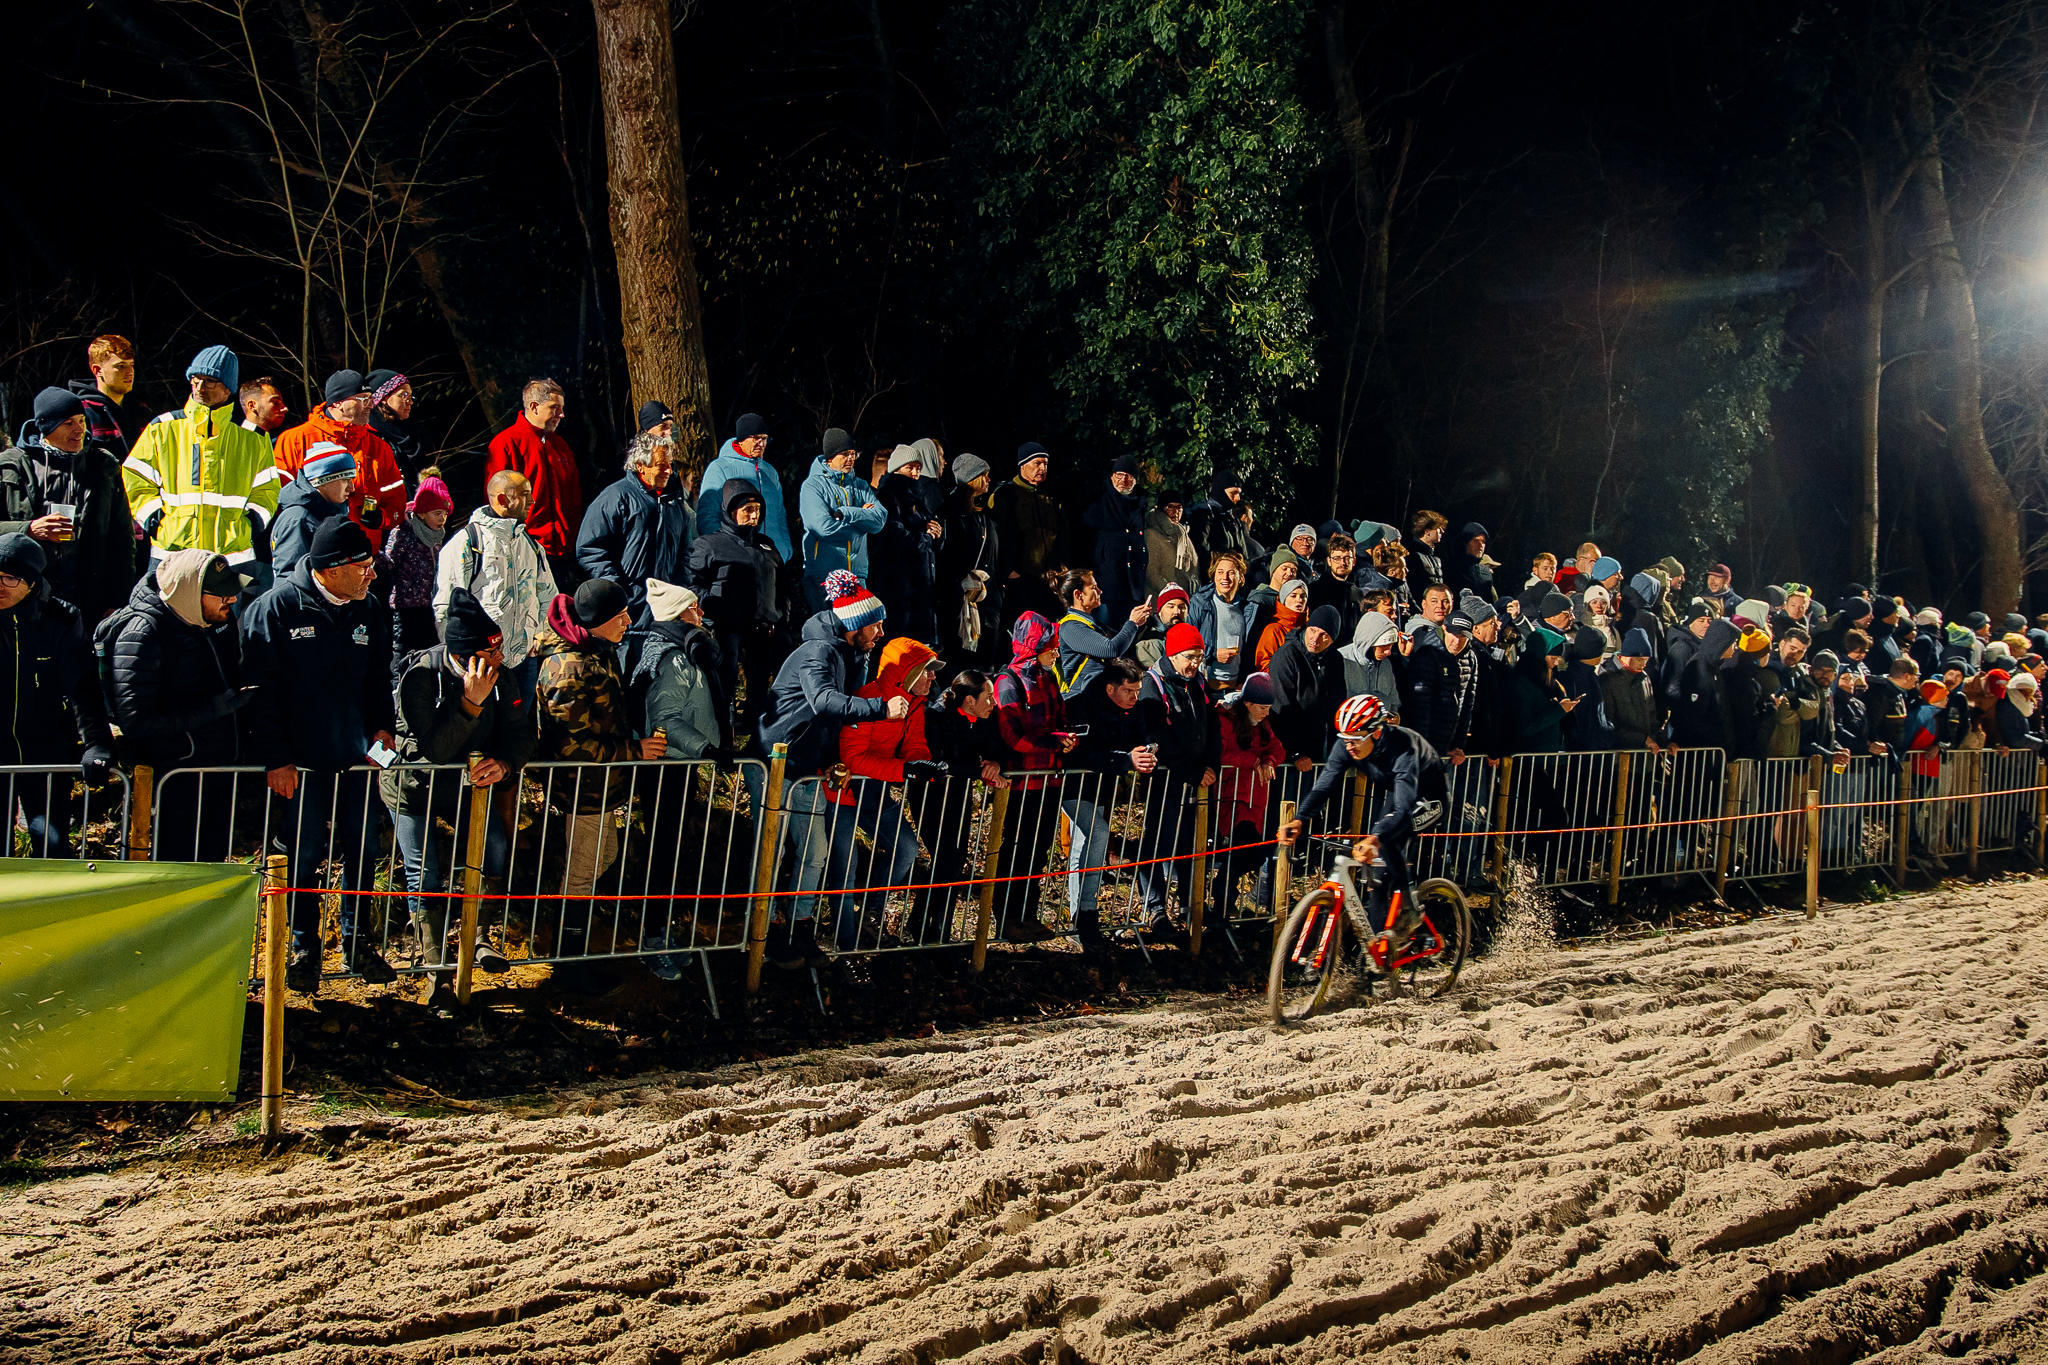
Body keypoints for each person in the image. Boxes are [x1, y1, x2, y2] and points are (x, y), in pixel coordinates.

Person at [239, 518, 397, 991]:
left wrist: (382, 731)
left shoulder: (368, 609)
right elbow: (258, 692)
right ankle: (303, 948)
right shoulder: (277, 608)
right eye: (364, 566)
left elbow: (377, 680)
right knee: (302, 856)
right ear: (331, 568)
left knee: (362, 850)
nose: (373, 574)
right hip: (299, 764)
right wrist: (275, 758)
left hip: (355, 758)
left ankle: (358, 943)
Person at [755, 570, 907, 966]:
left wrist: (831, 759)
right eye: (875, 624)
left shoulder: (852, 655)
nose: (881, 631)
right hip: (774, 765)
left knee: (814, 853)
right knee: (770, 853)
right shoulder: (817, 652)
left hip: (808, 769)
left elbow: (830, 719)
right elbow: (823, 701)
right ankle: (764, 934)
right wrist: (881, 709)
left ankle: (801, 927)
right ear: (854, 623)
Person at [384, 587, 531, 985]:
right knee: (424, 874)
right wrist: (470, 703)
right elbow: (434, 749)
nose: (499, 658)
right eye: (490, 652)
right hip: (413, 788)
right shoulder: (421, 677)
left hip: (466, 788)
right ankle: (435, 969)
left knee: (495, 847)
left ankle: (481, 938)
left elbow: (521, 733)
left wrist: (504, 763)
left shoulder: (503, 678)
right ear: (466, 657)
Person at [100, 549, 253, 860]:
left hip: (222, 766)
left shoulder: (217, 618)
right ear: (189, 593)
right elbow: (135, 720)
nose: (232, 600)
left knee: (213, 861)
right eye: (222, 595)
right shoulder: (143, 633)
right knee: (177, 865)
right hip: (176, 778)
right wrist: (215, 708)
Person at [1280, 695, 1451, 956]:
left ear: (1377, 732)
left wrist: (1376, 839)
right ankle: (1376, 953)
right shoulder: (1347, 743)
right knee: (1377, 874)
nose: (1350, 746)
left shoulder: (1404, 748)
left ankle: (1410, 910)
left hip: (1428, 795)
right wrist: (1300, 819)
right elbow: (1326, 784)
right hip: (1397, 792)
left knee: (1387, 841)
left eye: (1357, 738)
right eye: (1345, 738)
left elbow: (1404, 809)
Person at [827, 638, 944, 973]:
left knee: (906, 848)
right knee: (844, 868)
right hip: (842, 789)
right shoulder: (867, 699)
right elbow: (852, 756)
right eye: (926, 671)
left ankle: (871, 915)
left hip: (876, 788)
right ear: (904, 672)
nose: (932, 679)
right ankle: (846, 949)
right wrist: (904, 769)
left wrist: (923, 764)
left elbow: (915, 744)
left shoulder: (916, 703)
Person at [122, 345, 281, 577]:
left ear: (227, 388)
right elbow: (135, 477)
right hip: (171, 555)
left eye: (209, 381)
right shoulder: (163, 427)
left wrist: (250, 525)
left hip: (232, 558)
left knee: (232, 614)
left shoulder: (253, 437)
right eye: (195, 378)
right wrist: (155, 520)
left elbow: (267, 490)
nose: (199, 386)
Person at [0, 534, 113, 857]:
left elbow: (82, 686)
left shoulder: (62, 618)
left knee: (51, 843)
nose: (0, 586)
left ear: (33, 582)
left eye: (10, 578)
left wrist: (97, 743)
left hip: (45, 748)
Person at [1, 386, 135, 622]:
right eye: (68, 423)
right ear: (46, 426)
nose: (80, 430)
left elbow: (122, 540)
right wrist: (29, 530)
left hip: (88, 599)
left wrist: (118, 600)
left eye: (82, 420)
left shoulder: (102, 465)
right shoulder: (12, 467)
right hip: (23, 598)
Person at [436, 469, 556, 724]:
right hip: (480, 664)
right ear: (502, 500)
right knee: (478, 732)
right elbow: (446, 605)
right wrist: (458, 661)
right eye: (524, 495)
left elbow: (548, 596)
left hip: (523, 662)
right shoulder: (467, 543)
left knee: (514, 733)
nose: (532, 501)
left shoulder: (531, 546)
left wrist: (539, 638)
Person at [987, 611, 1074, 941]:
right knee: (1016, 848)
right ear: (1034, 646)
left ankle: (1028, 912)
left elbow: (1060, 717)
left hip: (1049, 777)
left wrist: (1066, 737)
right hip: (1022, 781)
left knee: (1038, 849)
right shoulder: (1007, 682)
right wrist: (1052, 743)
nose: (1056, 652)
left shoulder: (1049, 679)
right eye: (1051, 646)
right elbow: (1013, 736)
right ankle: (1006, 916)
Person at [1059, 658, 1153, 945]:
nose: (1134, 698)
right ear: (1110, 688)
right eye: (1128, 691)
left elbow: (1138, 740)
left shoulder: (1133, 710)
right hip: (1071, 787)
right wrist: (1125, 760)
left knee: (1091, 848)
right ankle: (1081, 915)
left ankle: (1086, 914)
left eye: (1138, 691)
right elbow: (1079, 753)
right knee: (1095, 834)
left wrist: (1148, 751)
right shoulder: (1082, 705)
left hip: (1103, 789)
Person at [1133, 622, 1219, 936]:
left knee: (1190, 843)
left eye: (1199, 656)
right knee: (1158, 843)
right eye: (1189, 656)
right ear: (1173, 654)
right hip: (1166, 780)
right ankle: (1155, 907)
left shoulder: (1199, 682)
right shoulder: (1152, 684)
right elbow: (1157, 735)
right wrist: (1192, 770)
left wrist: (1211, 765)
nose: (1195, 663)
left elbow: (1212, 726)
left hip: (1196, 780)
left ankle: (1189, 903)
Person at [687, 477, 786, 738]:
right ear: (731, 511)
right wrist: (716, 610)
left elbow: (783, 583)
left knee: (760, 685)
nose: (754, 516)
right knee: (724, 681)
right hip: (726, 628)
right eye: (747, 510)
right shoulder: (709, 544)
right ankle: (720, 735)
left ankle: (756, 736)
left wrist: (781, 611)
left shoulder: (766, 545)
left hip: (763, 629)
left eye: (758, 510)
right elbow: (692, 585)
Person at [916, 669, 1009, 934]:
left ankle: (934, 925)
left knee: (955, 860)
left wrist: (995, 763)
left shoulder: (987, 716)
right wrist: (978, 770)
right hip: (930, 794)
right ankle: (929, 926)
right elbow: (939, 760)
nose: (993, 702)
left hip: (959, 793)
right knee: (947, 860)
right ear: (969, 700)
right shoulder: (937, 715)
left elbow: (997, 746)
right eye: (988, 697)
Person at [274, 370, 405, 551]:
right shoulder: (295, 440)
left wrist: (381, 517)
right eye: (362, 399)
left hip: (362, 554)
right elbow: (281, 498)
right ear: (338, 403)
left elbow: (396, 499)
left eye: (371, 399)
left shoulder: (378, 447)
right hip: (312, 550)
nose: (370, 405)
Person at [576, 429, 693, 632]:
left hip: (667, 611)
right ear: (640, 466)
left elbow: (685, 552)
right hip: (630, 611)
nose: (668, 470)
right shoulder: (615, 497)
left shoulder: (674, 502)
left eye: (670, 464)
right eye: (660, 464)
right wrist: (616, 588)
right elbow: (589, 548)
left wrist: (680, 590)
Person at [485, 378, 585, 589]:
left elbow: (574, 496)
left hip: (562, 549)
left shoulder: (560, 445)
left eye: (562, 408)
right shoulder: (506, 443)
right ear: (534, 407)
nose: (561, 415)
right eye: (554, 408)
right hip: (524, 546)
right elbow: (496, 501)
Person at [1210, 671, 1287, 930]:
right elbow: (1222, 753)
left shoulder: (1263, 724)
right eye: (1262, 707)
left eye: (1269, 707)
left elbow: (1277, 748)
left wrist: (1268, 761)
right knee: (1247, 853)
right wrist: (1253, 761)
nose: (1267, 712)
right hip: (1230, 799)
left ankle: (1223, 904)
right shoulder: (1226, 720)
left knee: (1252, 854)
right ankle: (1220, 905)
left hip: (1254, 801)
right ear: (1248, 703)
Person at [630, 578, 729, 762]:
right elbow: (664, 718)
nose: (701, 612)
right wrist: (705, 749)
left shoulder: (688, 650)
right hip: (670, 762)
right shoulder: (673, 658)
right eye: (693, 607)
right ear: (676, 615)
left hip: (683, 756)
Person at [799, 427, 886, 614]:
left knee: (858, 634)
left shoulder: (861, 485)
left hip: (858, 574)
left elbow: (879, 520)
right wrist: (863, 524)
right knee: (831, 632)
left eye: (854, 454)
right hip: (824, 573)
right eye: (845, 454)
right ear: (830, 457)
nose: (851, 459)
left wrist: (847, 513)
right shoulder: (812, 486)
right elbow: (824, 528)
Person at [869, 444, 943, 644]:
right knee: (899, 641)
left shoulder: (917, 499)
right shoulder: (888, 497)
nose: (915, 472)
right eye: (910, 467)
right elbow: (895, 536)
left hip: (918, 588)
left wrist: (937, 534)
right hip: (897, 585)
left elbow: (929, 535)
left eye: (918, 468)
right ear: (897, 468)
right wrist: (927, 537)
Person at [696, 414, 793, 565]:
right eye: (756, 438)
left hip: (773, 558)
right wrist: (723, 550)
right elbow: (707, 515)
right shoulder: (720, 468)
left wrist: (784, 549)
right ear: (741, 439)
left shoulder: (770, 471)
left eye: (765, 438)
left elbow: (780, 514)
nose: (761, 443)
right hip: (736, 560)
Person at [934, 452, 1001, 664]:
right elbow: (949, 555)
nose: (989, 480)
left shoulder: (983, 512)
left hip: (987, 598)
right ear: (972, 478)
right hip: (962, 600)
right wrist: (960, 582)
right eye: (984, 475)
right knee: (964, 659)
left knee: (986, 660)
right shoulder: (952, 512)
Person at [385, 474, 452, 680]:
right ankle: (399, 690)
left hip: (431, 605)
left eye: (445, 513)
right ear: (421, 513)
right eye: (437, 513)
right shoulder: (403, 533)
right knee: (403, 652)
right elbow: (389, 563)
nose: (442, 518)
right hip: (406, 606)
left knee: (430, 652)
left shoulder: (440, 536)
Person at [992, 443, 1067, 627]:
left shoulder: (1050, 496)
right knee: (1024, 633)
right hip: (1021, 579)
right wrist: (1008, 570)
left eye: (1046, 464)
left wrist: (1062, 565)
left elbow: (1063, 534)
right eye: (1037, 463)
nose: (1042, 468)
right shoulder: (1006, 495)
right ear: (1022, 465)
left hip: (1050, 580)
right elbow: (997, 534)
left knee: (1049, 632)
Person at [1052, 568, 1151, 698]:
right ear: (1078, 594)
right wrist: (1132, 623)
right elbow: (1110, 649)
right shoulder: (1070, 627)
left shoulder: (1093, 623)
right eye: (1094, 588)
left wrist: (1137, 624)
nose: (1100, 591)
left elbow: (1121, 644)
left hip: (1097, 699)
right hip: (1080, 701)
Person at [1268, 604, 1346, 768]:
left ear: (1332, 640)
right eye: (1312, 630)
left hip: (1316, 743)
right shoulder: (1287, 655)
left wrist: (1337, 752)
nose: (1315, 639)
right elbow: (1280, 706)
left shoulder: (1335, 659)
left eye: (1323, 635)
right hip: (1288, 748)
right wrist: (1295, 752)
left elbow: (1338, 707)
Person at [269, 445, 359, 575]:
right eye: (345, 480)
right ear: (321, 480)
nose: (352, 488)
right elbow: (290, 575)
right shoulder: (298, 519)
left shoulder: (328, 512)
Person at [1084, 456, 1148, 623]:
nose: (1123, 480)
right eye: (1119, 474)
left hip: (1133, 588)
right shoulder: (1096, 506)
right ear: (1112, 476)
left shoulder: (1141, 506)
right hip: (1105, 588)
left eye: (1128, 475)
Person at [71, 334, 147, 454]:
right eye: (120, 366)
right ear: (97, 370)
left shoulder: (141, 410)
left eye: (131, 365)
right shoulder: (81, 413)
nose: (130, 372)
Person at [1599, 629, 1667, 750]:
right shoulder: (1607, 679)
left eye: (1646, 660)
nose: (1644, 664)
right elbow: (1608, 722)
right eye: (1640, 659)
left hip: (1645, 753)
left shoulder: (1644, 678)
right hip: (1620, 753)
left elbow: (1652, 717)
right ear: (1626, 655)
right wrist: (1642, 739)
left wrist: (1664, 741)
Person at [1189, 551, 1248, 688]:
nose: (1225, 578)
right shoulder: (1200, 604)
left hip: (1235, 688)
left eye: (1231, 572)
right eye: (1220, 572)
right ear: (1214, 576)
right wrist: (1213, 654)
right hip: (1205, 686)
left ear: (1240, 578)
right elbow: (1188, 644)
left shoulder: (1247, 610)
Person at [1338, 610, 1403, 717]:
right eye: (1383, 645)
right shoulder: (1341, 659)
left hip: (1380, 730)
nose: (1388, 652)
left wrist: (1395, 716)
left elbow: (1394, 702)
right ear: (1368, 643)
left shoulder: (1386, 664)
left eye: (1391, 646)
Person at [364, 369, 426, 479]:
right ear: (383, 398)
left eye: (411, 396)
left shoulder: (411, 433)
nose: (410, 401)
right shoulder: (369, 438)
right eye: (403, 395)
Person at [1307, 532, 1363, 642]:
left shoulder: (1357, 593)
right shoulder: (1315, 590)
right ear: (1329, 561)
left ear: (1354, 561)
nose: (1342, 562)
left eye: (1347, 558)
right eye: (1337, 558)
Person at [1144, 488, 1199, 596]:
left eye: (1179, 507)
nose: (1176, 511)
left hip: (1184, 601)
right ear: (1162, 509)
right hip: (1159, 602)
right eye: (1170, 507)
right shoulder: (1151, 534)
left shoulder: (1183, 534)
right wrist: (1172, 593)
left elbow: (1194, 568)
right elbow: (1151, 574)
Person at [1255, 577, 1309, 672]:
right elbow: (1263, 665)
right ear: (1284, 599)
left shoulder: (1310, 629)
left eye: (1303, 596)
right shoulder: (1273, 630)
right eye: (1293, 596)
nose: (1299, 600)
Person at [1448, 522, 1497, 605]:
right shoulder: (1450, 568)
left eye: (1483, 542)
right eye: (1476, 541)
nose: (1480, 545)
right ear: (1465, 543)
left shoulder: (1486, 573)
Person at [237, 376, 291, 445]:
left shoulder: (281, 443)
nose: (285, 408)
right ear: (252, 405)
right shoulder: (232, 440)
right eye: (275, 402)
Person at [1407, 510, 1448, 597]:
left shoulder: (1436, 558)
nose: (1442, 531)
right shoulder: (1413, 556)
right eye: (1438, 528)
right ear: (1427, 531)